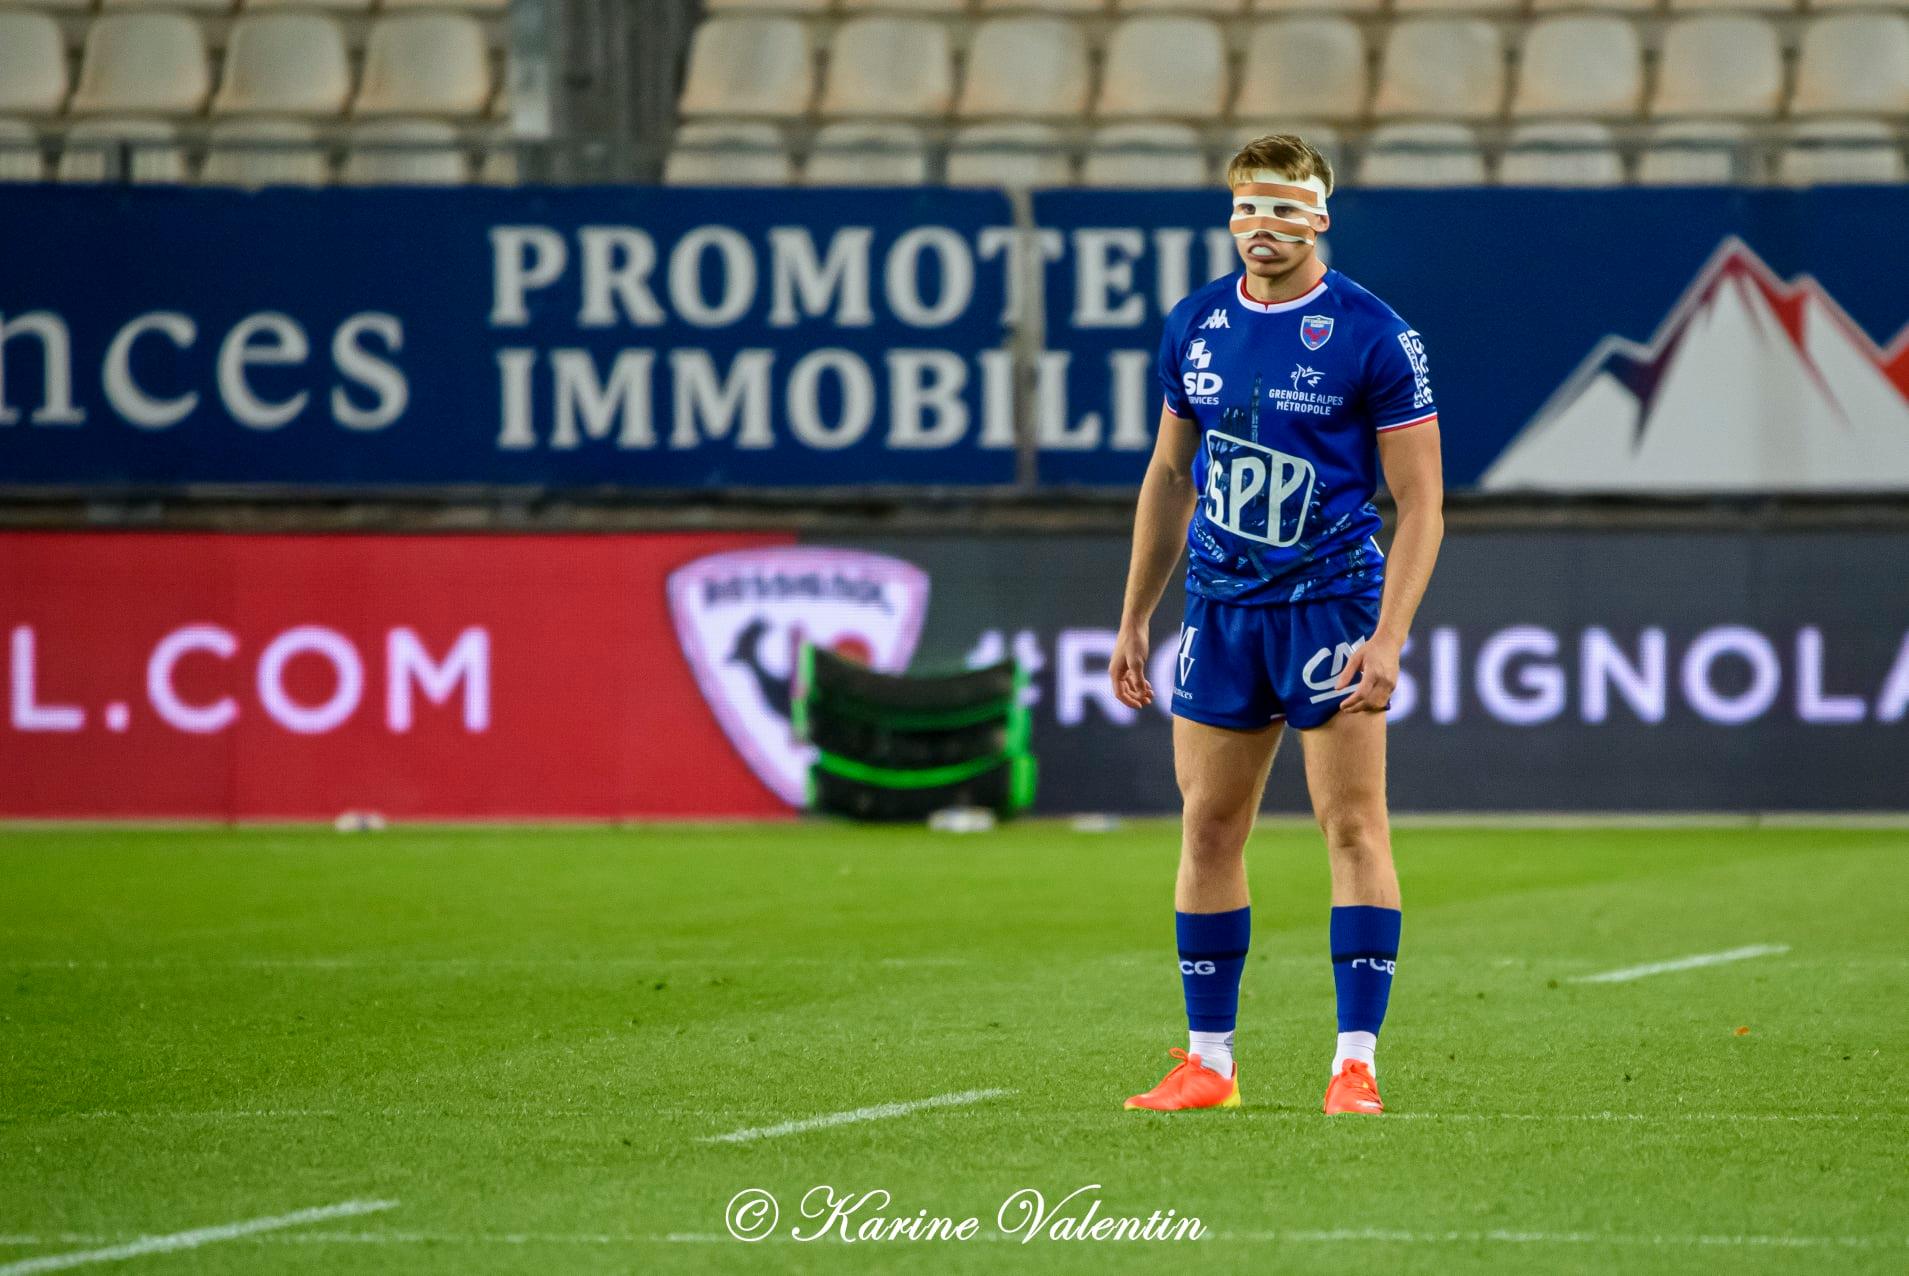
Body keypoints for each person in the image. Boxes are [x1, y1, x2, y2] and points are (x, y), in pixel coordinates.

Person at [1110, 134, 1444, 1116]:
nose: (1266, 227)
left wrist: (1388, 637)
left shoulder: (1374, 335)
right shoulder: (1196, 324)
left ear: (1321, 218)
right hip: (1220, 609)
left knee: (1351, 823)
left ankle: (1355, 1064)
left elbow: (1419, 503)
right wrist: (1135, 615)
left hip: (1329, 606)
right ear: (1231, 216)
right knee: (1208, 824)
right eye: (1250, 208)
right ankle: (1208, 1062)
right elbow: (1171, 475)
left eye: (1286, 209)